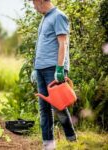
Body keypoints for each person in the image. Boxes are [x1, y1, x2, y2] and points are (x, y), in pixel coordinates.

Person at [29, 0, 77, 149]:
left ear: (40, 0)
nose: (34, 6)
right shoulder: (45, 18)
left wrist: (60, 69)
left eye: (34, 3)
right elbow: (41, 45)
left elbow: (63, 43)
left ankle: (72, 140)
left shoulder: (59, 16)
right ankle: (48, 145)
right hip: (41, 69)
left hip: (53, 70)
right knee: (44, 108)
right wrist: (35, 68)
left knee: (59, 107)